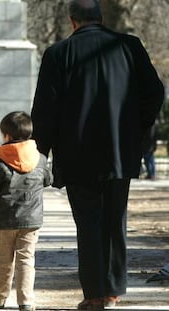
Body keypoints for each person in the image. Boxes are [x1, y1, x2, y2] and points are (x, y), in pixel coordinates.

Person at [30, 0, 164, 309]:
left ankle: (93, 294)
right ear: (101, 19)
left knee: (88, 224)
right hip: (119, 152)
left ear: (72, 20)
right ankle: (114, 290)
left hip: (78, 155)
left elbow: (45, 111)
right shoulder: (129, 46)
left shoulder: (58, 53)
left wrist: (40, 153)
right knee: (115, 222)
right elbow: (154, 93)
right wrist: (137, 131)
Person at [0, 111, 52, 311]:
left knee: (4, 260)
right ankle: (25, 300)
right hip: (31, 220)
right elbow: (48, 179)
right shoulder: (40, 159)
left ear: (6, 135)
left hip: (5, 220)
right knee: (26, 259)